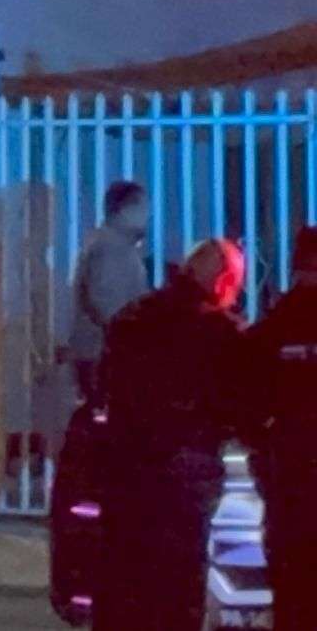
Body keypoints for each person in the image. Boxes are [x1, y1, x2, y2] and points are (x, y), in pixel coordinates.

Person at [95, 238, 247, 631]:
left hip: (126, 468)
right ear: (224, 282)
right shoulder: (221, 331)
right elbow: (238, 404)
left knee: (126, 574)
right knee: (179, 582)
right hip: (186, 471)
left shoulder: (132, 317)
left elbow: (106, 385)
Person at [240, 226, 317, 630]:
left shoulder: (275, 324)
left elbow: (246, 396)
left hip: (288, 464)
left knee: (290, 576)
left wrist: (260, 444)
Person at [66, 181, 151, 403]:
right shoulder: (111, 249)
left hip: (104, 353)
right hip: (104, 355)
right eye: (140, 206)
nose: (146, 214)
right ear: (122, 209)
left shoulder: (110, 246)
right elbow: (105, 305)